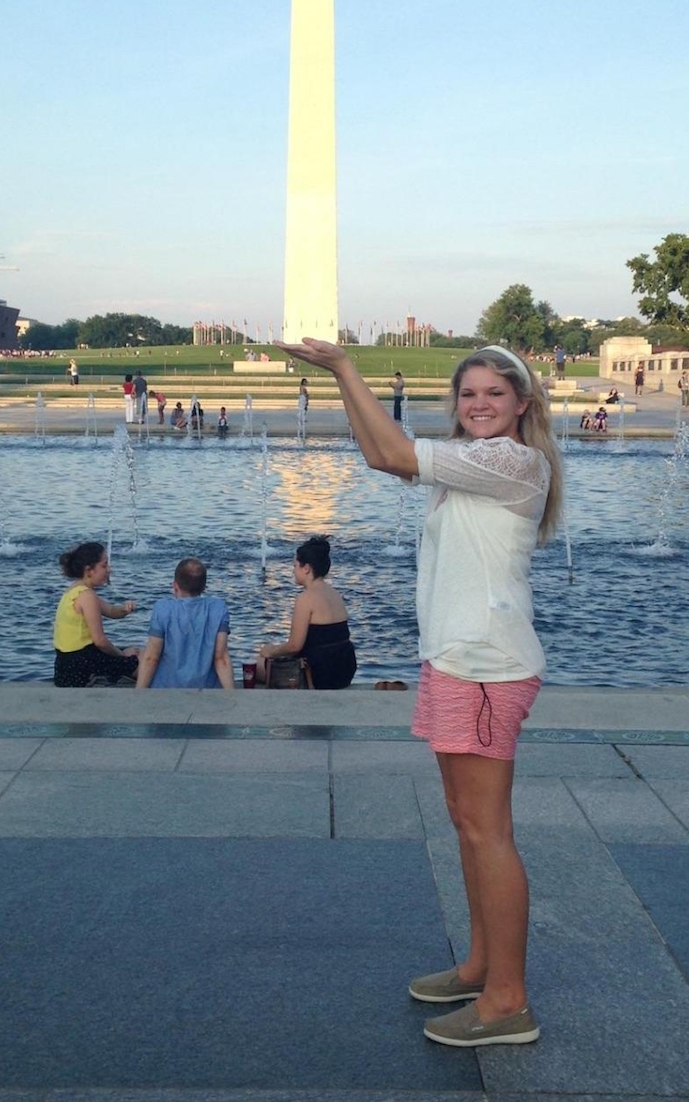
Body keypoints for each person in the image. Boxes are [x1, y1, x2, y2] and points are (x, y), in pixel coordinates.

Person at [275, 336, 561, 1049]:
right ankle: (480, 964)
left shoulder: (514, 460)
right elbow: (380, 453)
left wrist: (345, 367)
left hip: (489, 666)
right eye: (469, 395)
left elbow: (398, 453)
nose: (481, 404)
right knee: (466, 822)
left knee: (488, 829)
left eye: (495, 393)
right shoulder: (468, 464)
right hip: (454, 660)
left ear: (522, 404)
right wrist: (346, 379)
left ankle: (508, 1001)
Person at [257, 535, 357, 689]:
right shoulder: (335, 594)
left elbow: (294, 646)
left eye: (295, 565)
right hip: (345, 668)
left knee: (261, 663)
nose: (293, 571)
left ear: (306, 568)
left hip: (320, 673)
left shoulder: (305, 599)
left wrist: (270, 651)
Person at [136, 557, 233, 689]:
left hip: (166, 688)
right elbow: (221, 658)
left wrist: (138, 693)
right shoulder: (218, 608)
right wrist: (231, 694)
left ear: (175, 585)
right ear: (204, 587)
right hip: (206, 689)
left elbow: (151, 658)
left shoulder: (163, 608)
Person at [52, 541, 140, 687]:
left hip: (65, 666)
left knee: (131, 651)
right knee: (140, 659)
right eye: (104, 565)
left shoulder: (74, 591)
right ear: (89, 570)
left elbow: (111, 611)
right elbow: (100, 641)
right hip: (80, 668)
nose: (109, 570)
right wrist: (122, 655)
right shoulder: (87, 596)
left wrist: (125, 609)